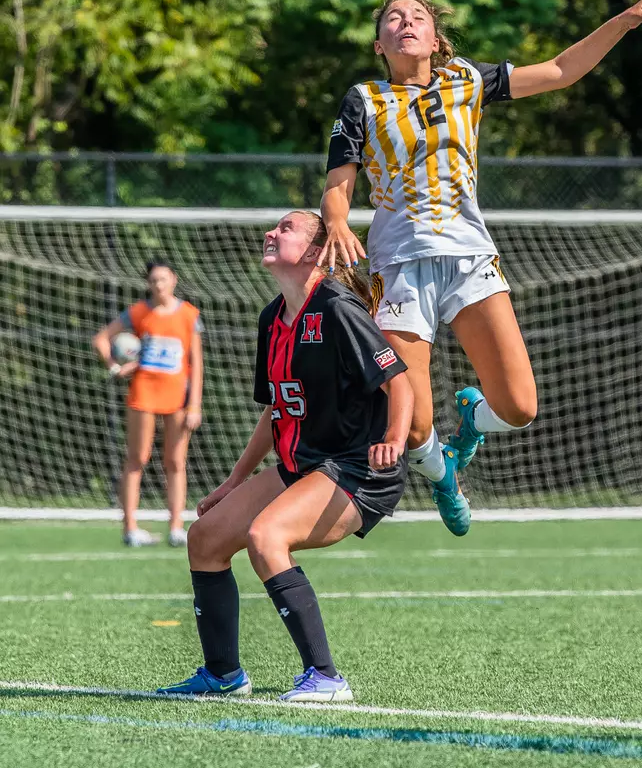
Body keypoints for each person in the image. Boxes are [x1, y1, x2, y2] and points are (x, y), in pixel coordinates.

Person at [320, 0, 642, 535]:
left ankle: (470, 425)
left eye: (417, 17)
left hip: (471, 259)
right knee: (409, 427)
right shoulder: (364, 99)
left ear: (436, 38)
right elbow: (338, 185)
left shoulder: (467, 80)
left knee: (520, 407)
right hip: (399, 265)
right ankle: (444, 473)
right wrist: (336, 220)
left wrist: (621, 23)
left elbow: (557, 70)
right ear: (379, 43)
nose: (406, 23)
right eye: (393, 18)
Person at [156, 210, 413, 703]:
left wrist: (396, 438)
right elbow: (278, 408)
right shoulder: (272, 318)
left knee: (266, 535)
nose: (272, 232)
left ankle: (326, 678)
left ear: (317, 251)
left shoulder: (337, 308)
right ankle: (223, 674)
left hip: (359, 468)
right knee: (205, 539)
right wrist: (234, 483)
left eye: (287, 228)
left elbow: (398, 381)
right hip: (304, 463)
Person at [92, 258, 203, 548]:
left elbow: (197, 363)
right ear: (148, 283)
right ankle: (130, 528)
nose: (158, 285)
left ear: (174, 280)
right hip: (143, 394)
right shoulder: (139, 312)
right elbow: (101, 339)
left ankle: (176, 527)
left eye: (163, 279)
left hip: (178, 396)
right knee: (136, 459)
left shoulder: (189, 314)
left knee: (176, 461)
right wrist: (116, 366)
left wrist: (195, 405)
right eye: (153, 280)